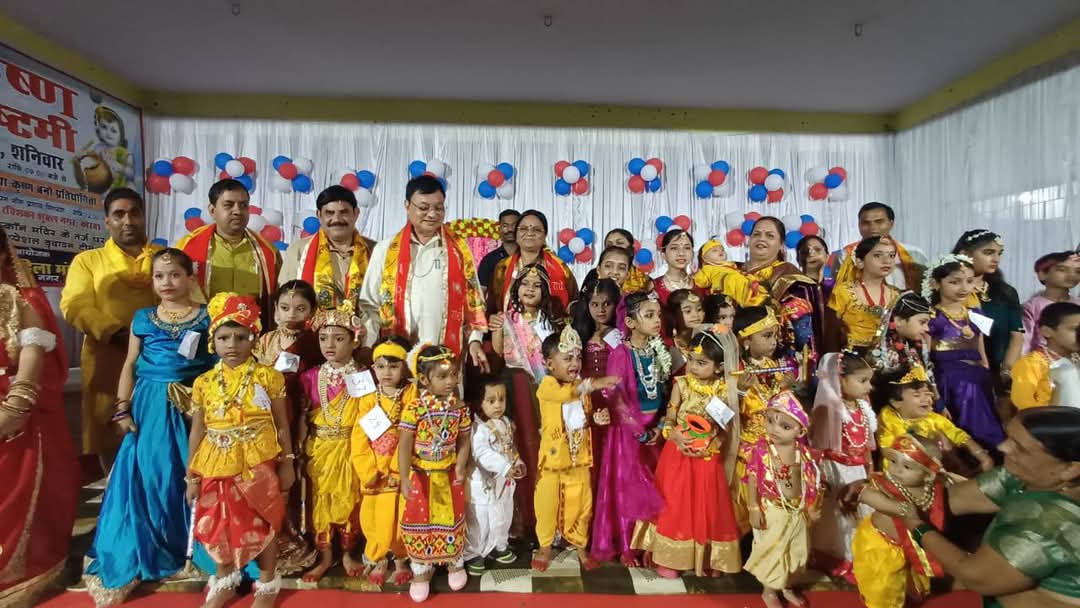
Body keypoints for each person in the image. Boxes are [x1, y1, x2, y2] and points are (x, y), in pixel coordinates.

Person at [83, 250, 215, 606]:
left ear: (190, 278)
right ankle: (143, 546)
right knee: (149, 473)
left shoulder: (208, 316)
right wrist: (122, 409)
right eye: (159, 276)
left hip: (193, 407)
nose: (167, 282)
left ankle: (188, 546)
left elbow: (218, 364)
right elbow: (129, 364)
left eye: (174, 275)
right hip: (150, 404)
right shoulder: (143, 317)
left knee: (187, 472)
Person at [898, 407, 1080, 608]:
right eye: (1009, 437)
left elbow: (976, 577)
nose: (1002, 447)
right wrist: (888, 484)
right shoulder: (1028, 475)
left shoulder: (1050, 522)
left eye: (1020, 448)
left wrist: (917, 527)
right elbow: (948, 499)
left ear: (1070, 469)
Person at [186, 293, 295, 608]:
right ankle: (225, 580)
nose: (231, 344)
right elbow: (197, 430)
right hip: (215, 461)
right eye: (223, 337)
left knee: (264, 518)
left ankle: (267, 583)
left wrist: (288, 462)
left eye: (240, 337)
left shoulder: (268, 377)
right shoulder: (204, 382)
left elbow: (282, 424)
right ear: (213, 341)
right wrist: (191, 476)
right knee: (218, 522)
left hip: (258, 460)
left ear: (253, 339)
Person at [0, 228, 78, 607]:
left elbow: (31, 363)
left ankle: (22, 572)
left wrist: (13, 409)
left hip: (16, 417)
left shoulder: (21, 301)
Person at [61, 187, 162, 471]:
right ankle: (114, 492)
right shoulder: (88, 261)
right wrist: (117, 333)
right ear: (107, 221)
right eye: (119, 214)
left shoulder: (165, 258)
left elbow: (189, 299)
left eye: (134, 213)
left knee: (159, 430)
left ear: (144, 216)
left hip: (158, 360)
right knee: (110, 432)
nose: (128, 221)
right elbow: (75, 305)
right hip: (108, 358)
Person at [632, 330, 742, 578]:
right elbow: (670, 418)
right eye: (691, 359)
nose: (692, 366)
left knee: (706, 504)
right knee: (675, 503)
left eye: (701, 363)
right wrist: (674, 434)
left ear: (719, 367)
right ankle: (670, 558)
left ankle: (707, 557)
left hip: (707, 456)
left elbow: (725, 429)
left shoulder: (724, 390)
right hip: (678, 453)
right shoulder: (681, 384)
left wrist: (713, 441)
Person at [358, 176, 489, 370]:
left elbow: (474, 300)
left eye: (439, 208)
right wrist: (367, 345)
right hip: (397, 356)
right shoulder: (385, 250)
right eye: (424, 207)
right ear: (407, 206)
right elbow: (370, 305)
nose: (432, 214)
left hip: (444, 356)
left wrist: (475, 340)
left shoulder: (459, 251)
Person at [532, 327, 618, 571]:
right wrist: (595, 383)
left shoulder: (581, 387)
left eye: (578, 357)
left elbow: (582, 418)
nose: (575, 363)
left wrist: (596, 419)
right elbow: (565, 395)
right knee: (547, 506)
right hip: (552, 462)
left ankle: (581, 547)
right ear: (549, 364)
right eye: (567, 358)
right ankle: (545, 547)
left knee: (582, 505)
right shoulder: (547, 386)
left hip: (579, 458)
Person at [593, 292, 668, 566]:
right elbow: (616, 397)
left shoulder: (658, 350)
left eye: (658, 315)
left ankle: (650, 544)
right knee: (629, 488)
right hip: (628, 433)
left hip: (655, 431)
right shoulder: (620, 354)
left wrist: (661, 425)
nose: (657, 320)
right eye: (649, 315)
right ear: (630, 322)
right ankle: (627, 546)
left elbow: (666, 392)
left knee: (656, 488)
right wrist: (639, 431)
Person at [253, 281, 322, 575]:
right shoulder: (264, 340)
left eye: (300, 308)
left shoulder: (314, 343)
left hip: (297, 415)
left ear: (312, 312)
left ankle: (291, 539)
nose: (291, 314)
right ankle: (262, 540)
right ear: (275, 310)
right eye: (285, 307)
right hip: (263, 416)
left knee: (292, 475)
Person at [298, 302, 366, 582]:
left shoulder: (364, 376)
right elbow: (302, 416)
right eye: (324, 338)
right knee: (320, 502)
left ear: (354, 341)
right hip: (321, 449)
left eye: (338, 339)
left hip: (352, 448)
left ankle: (348, 553)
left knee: (350, 500)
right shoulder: (310, 377)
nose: (329, 345)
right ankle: (325, 556)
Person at [397, 345, 471, 603]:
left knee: (452, 517)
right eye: (442, 376)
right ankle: (421, 569)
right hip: (422, 475)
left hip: (449, 474)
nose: (450, 381)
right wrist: (404, 477)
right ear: (424, 379)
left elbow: (464, 440)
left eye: (453, 375)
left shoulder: (459, 408)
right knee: (421, 520)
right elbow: (404, 445)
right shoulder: (415, 408)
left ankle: (454, 562)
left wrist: (461, 465)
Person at [489, 262, 559, 534]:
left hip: (545, 388)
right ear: (515, 289)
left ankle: (550, 516)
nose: (530, 289)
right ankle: (524, 517)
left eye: (537, 285)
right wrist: (497, 327)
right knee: (522, 444)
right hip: (517, 385)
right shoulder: (507, 319)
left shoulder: (551, 322)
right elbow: (498, 350)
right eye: (525, 285)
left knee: (545, 446)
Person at [743, 391, 823, 608]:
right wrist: (753, 508)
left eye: (785, 426)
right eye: (770, 421)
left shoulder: (804, 453)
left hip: (797, 510)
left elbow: (811, 481)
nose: (774, 429)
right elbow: (752, 479)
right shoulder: (761, 450)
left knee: (797, 552)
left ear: (801, 430)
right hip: (772, 510)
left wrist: (811, 506)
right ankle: (769, 591)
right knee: (774, 552)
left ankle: (787, 585)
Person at [852, 434, 948, 608]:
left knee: (910, 583)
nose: (896, 470)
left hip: (910, 544)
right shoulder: (884, 483)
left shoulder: (933, 489)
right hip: (880, 546)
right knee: (884, 589)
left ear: (928, 475)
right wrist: (898, 508)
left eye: (907, 466)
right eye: (893, 461)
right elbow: (866, 495)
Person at [350, 336, 413, 586]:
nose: (387, 372)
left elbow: (412, 434)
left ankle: (401, 559)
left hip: (400, 469)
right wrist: (368, 470)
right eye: (381, 366)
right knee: (372, 517)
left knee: (401, 516)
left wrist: (399, 469)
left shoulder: (411, 394)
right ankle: (379, 558)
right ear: (373, 368)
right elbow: (359, 437)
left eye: (393, 366)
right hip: (375, 469)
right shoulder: (368, 398)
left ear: (405, 367)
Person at [925, 254, 1005, 450]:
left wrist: (985, 365)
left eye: (969, 281)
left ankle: (989, 451)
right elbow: (925, 354)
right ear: (936, 284)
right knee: (967, 418)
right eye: (955, 282)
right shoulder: (932, 315)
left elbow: (979, 341)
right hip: (950, 377)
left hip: (977, 374)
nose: (964, 288)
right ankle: (980, 450)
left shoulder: (975, 313)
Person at [809, 352, 876, 583]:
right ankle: (838, 558)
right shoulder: (831, 409)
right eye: (862, 381)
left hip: (858, 471)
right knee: (837, 519)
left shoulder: (863, 407)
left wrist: (869, 468)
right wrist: (821, 476)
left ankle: (856, 557)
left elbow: (866, 444)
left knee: (859, 515)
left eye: (869, 381)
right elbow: (818, 445)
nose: (869, 387)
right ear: (841, 380)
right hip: (836, 471)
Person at [176, 179, 281, 326]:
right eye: (228, 205)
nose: (237, 211)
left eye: (243, 205)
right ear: (212, 211)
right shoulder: (187, 247)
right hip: (202, 331)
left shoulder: (267, 252)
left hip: (253, 333)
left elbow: (277, 299)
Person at [874, 365, 993, 472]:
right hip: (903, 473)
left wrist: (982, 457)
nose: (926, 399)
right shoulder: (888, 418)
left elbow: (958, 435)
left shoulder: (933, 418)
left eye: (928, 394)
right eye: (917, 395)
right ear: (896, 402)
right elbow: (888, 450)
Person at [463, 375, 525, 576]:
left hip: (503, 482)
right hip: (483, 485)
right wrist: (505, 467)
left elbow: (510, 447)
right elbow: (482, 454)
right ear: (479, 402)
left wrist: (517, 464)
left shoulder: (505, 422)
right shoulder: (478, 428)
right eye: (491, 400)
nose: (498, 405)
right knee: (481, 521)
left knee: (503, 515)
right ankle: (475, 553)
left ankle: (500, 545)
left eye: (501, 399)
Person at [279, 185, 374, 311]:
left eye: (344, 212)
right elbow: (285, 302)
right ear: (319, 215)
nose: (337, 219)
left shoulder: (375, 251)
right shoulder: (299, 251)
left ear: (356, 214)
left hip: (366, 323)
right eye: (329, 213)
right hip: (314, 323)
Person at [953, 230, 1024, 378]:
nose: (996, 259)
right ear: (965, 254)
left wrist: (1007, 369)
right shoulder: (948, 291)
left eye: (999, 254)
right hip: (957, 371)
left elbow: (1016, 335)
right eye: (988, 252)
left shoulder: (1006, 293)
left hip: (999, 372)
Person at [487, 210, 577, 320]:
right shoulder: (503, 267)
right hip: (510, 328)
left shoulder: (560, 267)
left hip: (551, 328)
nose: (529, 233)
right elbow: (492, 308)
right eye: (523, 229)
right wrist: (492, 318)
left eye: (536, 230)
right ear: (516, 234)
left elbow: (574, 302)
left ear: (545, 236)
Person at [828, 202, 927, 291]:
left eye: (879, 222)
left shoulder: (914, 253)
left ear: (891, 224)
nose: (873, 227)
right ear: (859, 225)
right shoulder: (846, 255)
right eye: (866, 223)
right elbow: (837, 291)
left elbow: (926, 289)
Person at [827, 236, 901, 350]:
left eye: (891, 256)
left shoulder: (896, 295)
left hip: (887, 356)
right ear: (860, 262)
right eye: (878, 255)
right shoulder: (844, 292)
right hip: (850, 356)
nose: (887, 261)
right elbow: (830, 333)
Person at [1011, 302, 1080, 410]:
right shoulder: (1030, 364)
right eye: (1074, 329)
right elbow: (1025, 406)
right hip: (1051, 419)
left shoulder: (1076, 359)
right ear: (1046, 331)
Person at [869, 291, 936, 390]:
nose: (927, 329)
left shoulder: (917, 346)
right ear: (898, 321)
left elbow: (928, 379)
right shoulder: (879, 352)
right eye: (922, 322)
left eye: (927, 323)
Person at [1022, 251, 1080, 354]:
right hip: (1041, 360)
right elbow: (1024, 342)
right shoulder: (1032, 307)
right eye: (1062, 270)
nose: (1072, 275)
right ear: (1042, 274)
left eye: (1078, 271)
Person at [477, 209, 521, 289]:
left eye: (514, 225)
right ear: (499, 229)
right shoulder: (489, 260)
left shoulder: (528, 256)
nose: (510, 229)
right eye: (505, 226)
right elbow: (482, 291)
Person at [653, 230, 699, 305]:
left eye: (687, 248)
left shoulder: (701, 284)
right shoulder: (653, 287)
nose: (681, 253)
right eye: (674, 248)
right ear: (663, 254)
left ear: (692, 253)